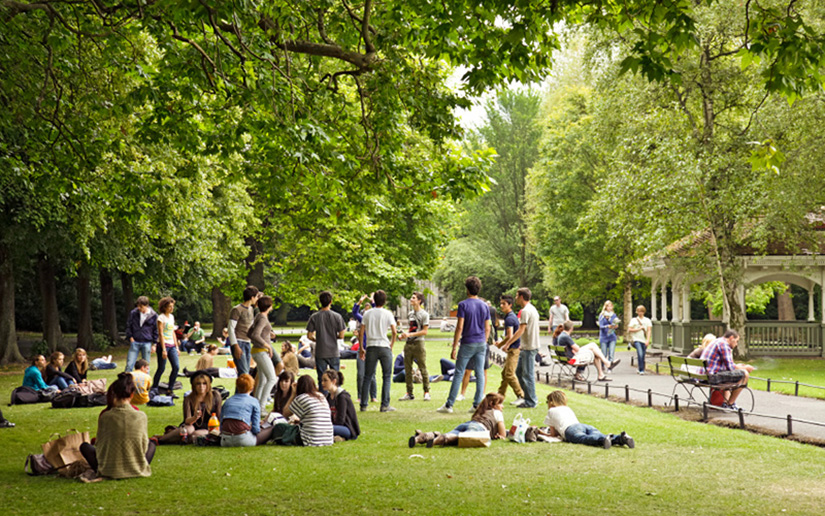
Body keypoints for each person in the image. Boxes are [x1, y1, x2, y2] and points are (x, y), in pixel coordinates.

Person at [79, 373, 155, 480]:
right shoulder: (141, 416)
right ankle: (135, 466)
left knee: (85, 446)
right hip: (136, 467)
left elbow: (100, 445)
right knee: (151, 445)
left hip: (108, 468)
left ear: (113, 394)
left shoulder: (105, 416)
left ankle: (112, 467)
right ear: (132, 394)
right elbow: (144, 445)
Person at [437, 276, 491, 413]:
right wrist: (484, 341)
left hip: (467, 343)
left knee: (459, 373)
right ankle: (477, 404)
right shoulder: (485, 306)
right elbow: (488, 327)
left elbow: (459, 327)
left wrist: (454, 346)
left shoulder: (463, 305)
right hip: (481, 343)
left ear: (467, 289)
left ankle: (449, 405)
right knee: (480, 374)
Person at [543, 390, 635, 449]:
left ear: (551, 402)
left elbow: (553, 434)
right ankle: (621, 438)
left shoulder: (551, 411)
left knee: (584, 439)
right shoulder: (567, 408)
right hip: (582, 425)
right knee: (598, 434)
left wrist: (540, 432)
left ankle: (602, 440)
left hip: (569, 429)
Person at [412, 392, 506, 447]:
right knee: (458, 438)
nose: (503, 406)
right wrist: (500, 435)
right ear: (493, 404)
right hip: (478, 429)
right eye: (500, 404)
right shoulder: (497, 413)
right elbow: (503, 434)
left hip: (466, 424)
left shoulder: (481, 410)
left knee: (450, 434)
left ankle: (421, 437)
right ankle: (437, 440)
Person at [496, 288, 539, 409]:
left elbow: (521, 330)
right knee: (518, 372)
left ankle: (531, 401)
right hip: (526, 347)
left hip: (529, 347)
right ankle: (524, 397)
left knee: (527, 375)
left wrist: (507, 343)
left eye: (517, 296)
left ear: (521, 297)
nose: (515, 298)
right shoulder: (531, 309)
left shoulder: (525, 311)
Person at [153, 371, 222, 444]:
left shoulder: (215, 396)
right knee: (188, 430)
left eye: (204, 383)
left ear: (209, 384)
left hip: (208, 428)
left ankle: (171, 437)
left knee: (195, 435)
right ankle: (159, 440)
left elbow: (219, 416)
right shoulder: (188, 399)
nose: (201, 386)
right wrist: (195, 417)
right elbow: (187, 420)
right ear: (194, 386)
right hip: (190, 426)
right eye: (198, 384)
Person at [359, 290, 398, 412]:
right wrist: (391, 344)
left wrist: (361, 347)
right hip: (384, 345)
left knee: (368, 376)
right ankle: (384, 404)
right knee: (386, 376)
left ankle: (364, 404)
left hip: (371, 346)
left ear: (374, 300)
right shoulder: (388, 313)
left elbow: (361, 332)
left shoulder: (367, 313)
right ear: (384, 301)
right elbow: (394, 331)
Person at [700, 330, 753, 409]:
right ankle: (730, 404)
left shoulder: (718, 341)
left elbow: (726, 366)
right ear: (731, 338)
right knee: (745, 374)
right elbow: (730, 368)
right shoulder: (724, 345)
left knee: (733, 374)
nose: (736, 344)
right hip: (711, 377)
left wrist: (738, 366)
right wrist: (744, 368)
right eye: (736, 341)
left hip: (704, 375)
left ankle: (726, 403)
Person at [248, 295, 283, 412]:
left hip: (258, 351)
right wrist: (267, 345)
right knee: (272, 378)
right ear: (269, 306)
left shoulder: (259, 316)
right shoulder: (262, 318)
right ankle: (261, 407)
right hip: (261, 352)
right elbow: (254, 335)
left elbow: (250, 332)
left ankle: (256, 405)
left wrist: (268, 335)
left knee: (263, 380)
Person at [306, 290, 347, 384]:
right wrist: (333, 336)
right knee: (335, 378)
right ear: (331, 302)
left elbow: (309, 335)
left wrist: (318, 339)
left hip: (320, 351)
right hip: (333, 351)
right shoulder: (337, 316)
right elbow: (341, 335)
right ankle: (335, 397)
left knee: (322, 378)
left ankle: (323, 397)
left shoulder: (314, 317)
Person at [397, 292, 431, 402]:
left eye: (413, 298)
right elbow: (412, 329)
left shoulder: (424, 314)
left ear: (419, 301)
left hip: (418, 344)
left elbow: (424, 331)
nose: (411, 299)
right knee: (408, 369)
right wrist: (404, 335)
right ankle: (409, 393)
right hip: (408, 344)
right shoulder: (410, 314)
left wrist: (410, 335)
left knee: (422, 368)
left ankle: (426, 392)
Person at [283, 375, 334, 446]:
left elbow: (285, 413)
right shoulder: (321, 396)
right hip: (328, 439)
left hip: (310, 440)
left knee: (280, 427)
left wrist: (293, 394)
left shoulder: (301, 398)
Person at [496, 295, 525, 405]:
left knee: (509, 374)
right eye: (501, 303)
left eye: (504, 304)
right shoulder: (511, 316)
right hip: (513, 348)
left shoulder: (509, 318)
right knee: (505, 373)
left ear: (510, 305)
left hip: (514, 349)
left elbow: (509, 336)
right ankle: (500, 396)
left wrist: (501, 345)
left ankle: (521, 396)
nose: (501, 306)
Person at [228, 286, 260, 376]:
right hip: (239, 342)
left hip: (247, 343)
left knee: (245, 372)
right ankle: (242, 390)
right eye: (257, 296)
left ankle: (241, 390)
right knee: (244, 372)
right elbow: (230, 328)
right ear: (252, 297)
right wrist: (236, 346)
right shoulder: (237, 309)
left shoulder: (251, 309)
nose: (257, 299)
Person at [321, 369, 360, 442]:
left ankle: (340, 437)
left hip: (347, 428)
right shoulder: (328, 397)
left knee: (323, 428)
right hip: (334, 426)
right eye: (322, 380)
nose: (322, 383)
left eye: (325, 380)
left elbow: (341, 419)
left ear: (334, 381)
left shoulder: (342, 397)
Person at [352, 295, 377, 404]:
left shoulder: (375, 321)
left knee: (372, 375)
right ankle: (360, 396)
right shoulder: (363, 320)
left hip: (372, 349)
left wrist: (372, 301)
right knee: (360, 374)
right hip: (362, 350)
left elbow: (377, 309)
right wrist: (359, 302)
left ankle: (373, 396)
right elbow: (354, 313)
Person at [153, 297, 181, 397]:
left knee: (176, 367)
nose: (171, 308)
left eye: (172, 306)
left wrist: (177, 347)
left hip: (172, 345)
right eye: (169, 306)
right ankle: (154, 387)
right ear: (164, 307)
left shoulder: (172, 317)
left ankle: (170, 389)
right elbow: (160, 334)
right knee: (161, 368)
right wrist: (164, 349)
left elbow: (173, 332)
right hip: (163, 346)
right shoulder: (161, 318)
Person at [124, 296, 158, 373]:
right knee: (129, 364)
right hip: (135, 341)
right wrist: (130, 337)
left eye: (141, 306)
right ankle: (125, 382)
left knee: (146, 366)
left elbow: (156, 330)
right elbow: (129, 325)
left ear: (146, 305)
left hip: (147, 342)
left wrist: (154, 344)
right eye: (138, 306)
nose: (139, 308)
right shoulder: (133, 313)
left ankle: (145, 383)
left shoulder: (154, 315)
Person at [627, 305, 653, 375]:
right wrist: (638, 329)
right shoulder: (634, 320)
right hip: (636, 339)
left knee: (643, 355)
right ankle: (641, 370)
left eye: (641, 311)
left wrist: (648, 340)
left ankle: (640, 368)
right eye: (638, 311)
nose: (640, 313)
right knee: (640, 353)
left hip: (643, 340)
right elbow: (630, 329)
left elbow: (649, 330)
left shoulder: (647, 320)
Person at [598, 300, 620, 368]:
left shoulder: (613, 315)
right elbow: (601, 326)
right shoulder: (602, 315)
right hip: (604, 336)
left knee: (611, 353)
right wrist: (607, 326)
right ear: (605, 307)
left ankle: (610, 367)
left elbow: (615, 323)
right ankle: (602, 366)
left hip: (612, 335)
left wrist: (615, 326)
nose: (609, 307)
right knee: (604, 354)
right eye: (608, 306)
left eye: (611, 306)